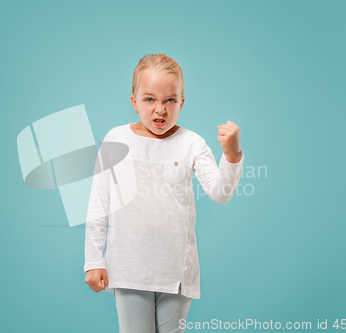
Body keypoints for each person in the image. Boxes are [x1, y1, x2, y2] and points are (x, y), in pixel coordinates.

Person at [84, 53, 245, 333]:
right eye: (149, 99)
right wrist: (94, 260)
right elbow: (99, 204)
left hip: (177, 273)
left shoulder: (192, 143)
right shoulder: (116, 139)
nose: (160, 109)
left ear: (181, 102)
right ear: (134, 102)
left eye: (170, 100)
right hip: (130, 267)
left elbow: (220, 193)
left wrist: (232, 156)